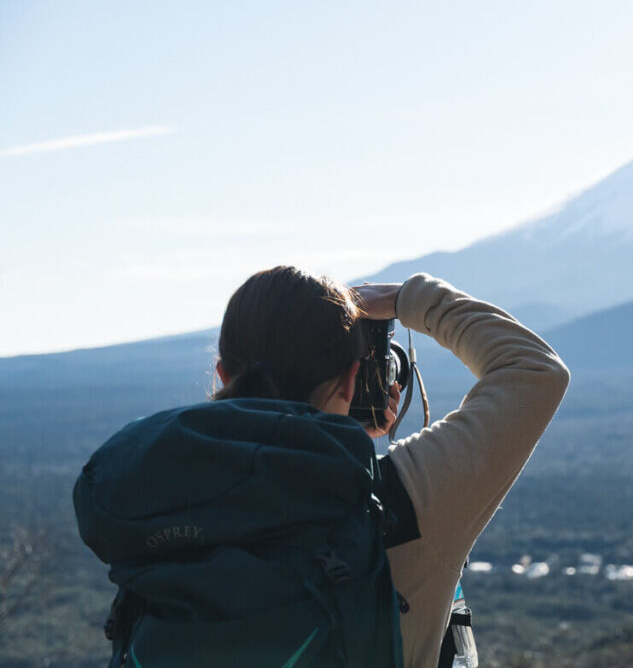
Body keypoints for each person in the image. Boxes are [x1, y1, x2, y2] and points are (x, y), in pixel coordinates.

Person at [74, 266, 571, 667]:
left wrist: (337, 442)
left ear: (223, 373)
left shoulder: (154, 491)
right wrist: (408, 298)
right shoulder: (402, 500)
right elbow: (533, 370)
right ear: (351, 382)